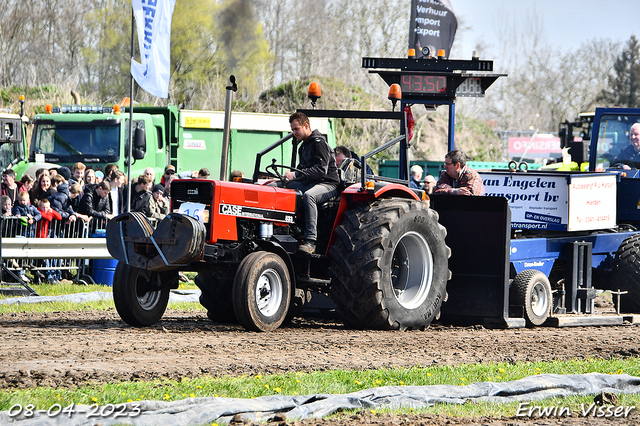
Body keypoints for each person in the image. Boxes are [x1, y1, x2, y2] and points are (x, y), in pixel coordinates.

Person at [285, 112, 340, 254]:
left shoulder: (319, 143)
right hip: (310, 182)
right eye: (292, 130)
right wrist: (285, 180)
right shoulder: (303, 146)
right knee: (285, 188)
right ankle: (292, 230)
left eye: (296, 129)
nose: (294, 133)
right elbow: (302, 169)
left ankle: (310, 241)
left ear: (306, 126)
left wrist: (296, 174)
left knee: (309, 195)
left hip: (328, 184)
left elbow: (321, 170)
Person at [36, 199, 63, 284]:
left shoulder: (48, 211)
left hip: (45, 237)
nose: (45, 209)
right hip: (39, 237)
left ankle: (54, 275)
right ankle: (48, 276)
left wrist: (52, 211)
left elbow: (59, 217)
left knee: (50, 257)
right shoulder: (38, 212)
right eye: (43, 207)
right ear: (40, 207)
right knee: (44, 259)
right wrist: (49, 213)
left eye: (47, 207)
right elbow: (49, 218)